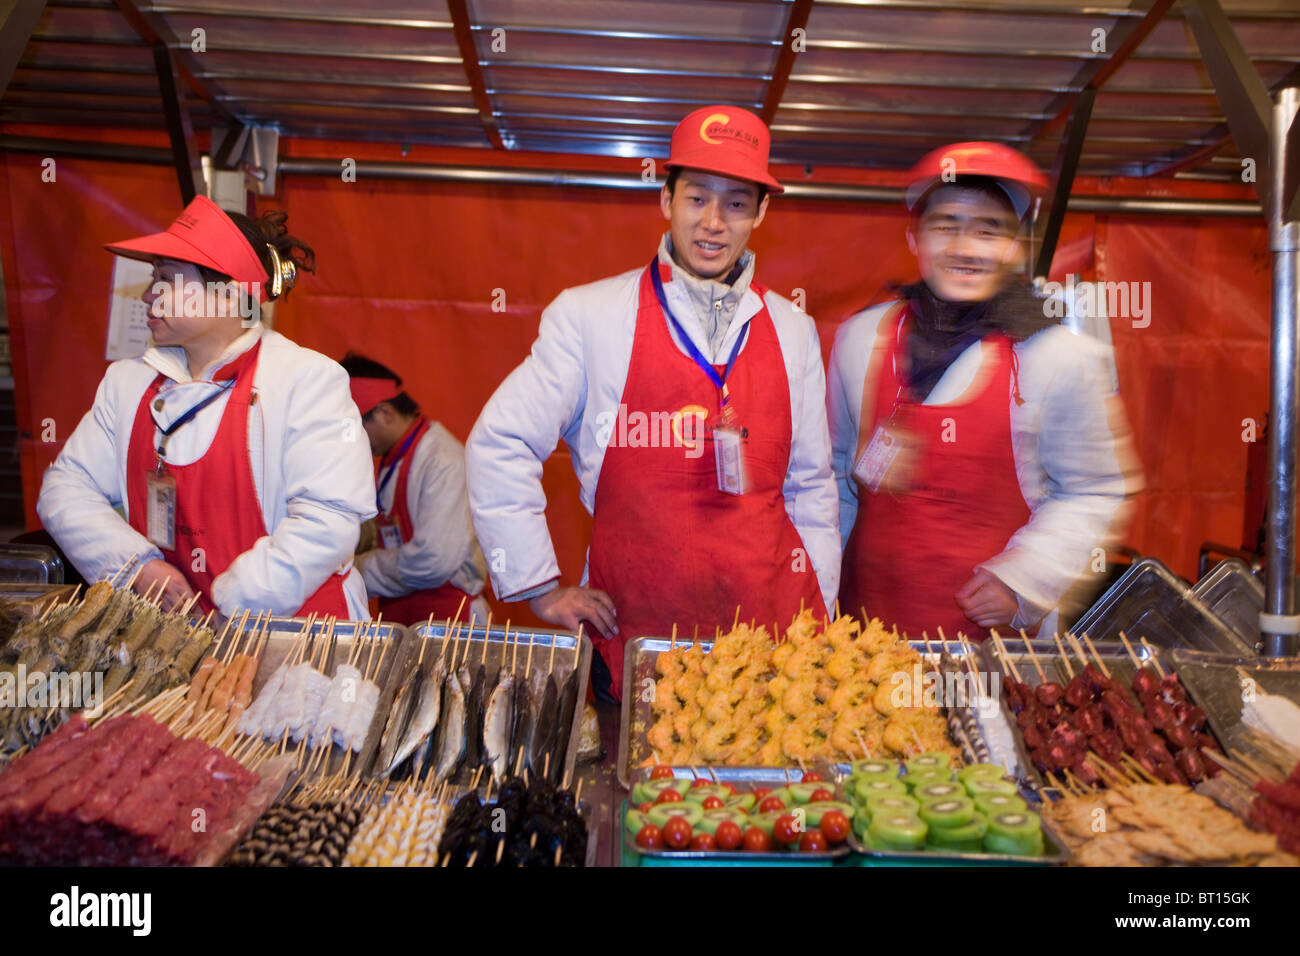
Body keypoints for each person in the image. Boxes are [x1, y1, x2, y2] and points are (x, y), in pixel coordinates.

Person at [467, 105, 840, 699]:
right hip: (635, 639)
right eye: (697, 198)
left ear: (762, 213)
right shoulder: (590, 315)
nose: (714, 223)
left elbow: (811, 487)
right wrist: (536, 586)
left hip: (769, 649)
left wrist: (816, 615)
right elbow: (500, 442)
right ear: (666, 200)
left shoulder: (793, 328)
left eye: (737, 203)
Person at [828, 142, 1141, 641]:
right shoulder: (860, 339)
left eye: (988, 230)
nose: (966, 249)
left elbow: (1094, 490)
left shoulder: (1056, 356)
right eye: (946, 226)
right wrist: (822, 596)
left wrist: (1024, 581)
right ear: (914, 239)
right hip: (865, 633)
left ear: (1015, 246)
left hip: (993, 650)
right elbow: (835, 477)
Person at [37, 196, 375, 619]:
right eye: (151, 278)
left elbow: (328, 523)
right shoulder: (127, 383)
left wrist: (228, 603)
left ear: (230, 293)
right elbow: (65, 489)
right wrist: (137, 568)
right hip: (170, 639)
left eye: (167, 279)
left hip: (294, 638)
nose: (147, 295)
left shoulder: (305, 381)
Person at [342, 353, 490, 626]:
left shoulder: (442, 460)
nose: (352, 438)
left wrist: (359, 570)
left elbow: (434, 560)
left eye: (356, 426)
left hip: (450, 615)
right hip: (403, 612)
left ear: (385, 413)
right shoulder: (391, 458)